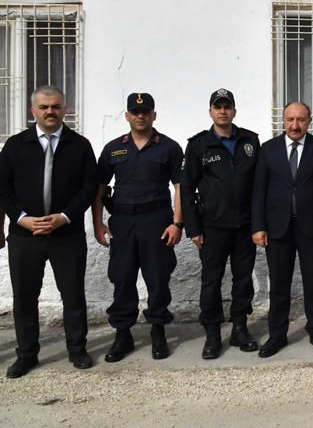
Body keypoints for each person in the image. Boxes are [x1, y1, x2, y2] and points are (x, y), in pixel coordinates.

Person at [0, 86, 97, 378]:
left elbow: (89, 186)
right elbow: (3, 188)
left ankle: (77, 349)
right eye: (44, 107)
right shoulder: (15, 145)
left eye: (55, 106)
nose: (50, 112)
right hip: (25, 236)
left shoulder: (79, 145)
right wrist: (21, 218)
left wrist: (65, 216)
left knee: (73, 295)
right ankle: (26, 354)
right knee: (25, 297)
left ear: (64, 109)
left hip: (66, 234)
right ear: (33, 111)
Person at [93, 92, 185, 362]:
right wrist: (98, 223)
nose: (140, 116)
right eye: (135, 111)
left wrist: (177, 223)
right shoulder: (113, 148)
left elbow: (180, 187)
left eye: (146, 111)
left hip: (156, 220)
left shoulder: (168, 147)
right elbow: (98, 190)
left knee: (158, 278)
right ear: (127, 116)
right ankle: (123, 334)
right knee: (122, 278)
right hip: (122, 222)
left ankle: (157, 331)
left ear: (154, 115)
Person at [251, 102, 313, 358]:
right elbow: (258, 191)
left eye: (300, 120)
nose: (295, 125)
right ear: (283, 121)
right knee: (279, 284)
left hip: (312, 228)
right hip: (277, 229)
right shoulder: (268, 150)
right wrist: (258, 227)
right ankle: (277, 335)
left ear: (309, 121)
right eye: (290, 119)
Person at [180, 88, 261, 359]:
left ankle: (240, 328)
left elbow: (259, 186)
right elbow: (187, 188)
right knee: (211, 282)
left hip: (245, 226)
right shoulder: (198, 145)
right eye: (218, 107)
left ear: (234, 111)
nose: (223, 111)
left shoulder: (250, 141)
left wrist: (259, 224)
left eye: (227, 106)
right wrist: (193, 229)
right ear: (211, 112)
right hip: (212, 227)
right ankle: (213, 334)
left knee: (243, 280)